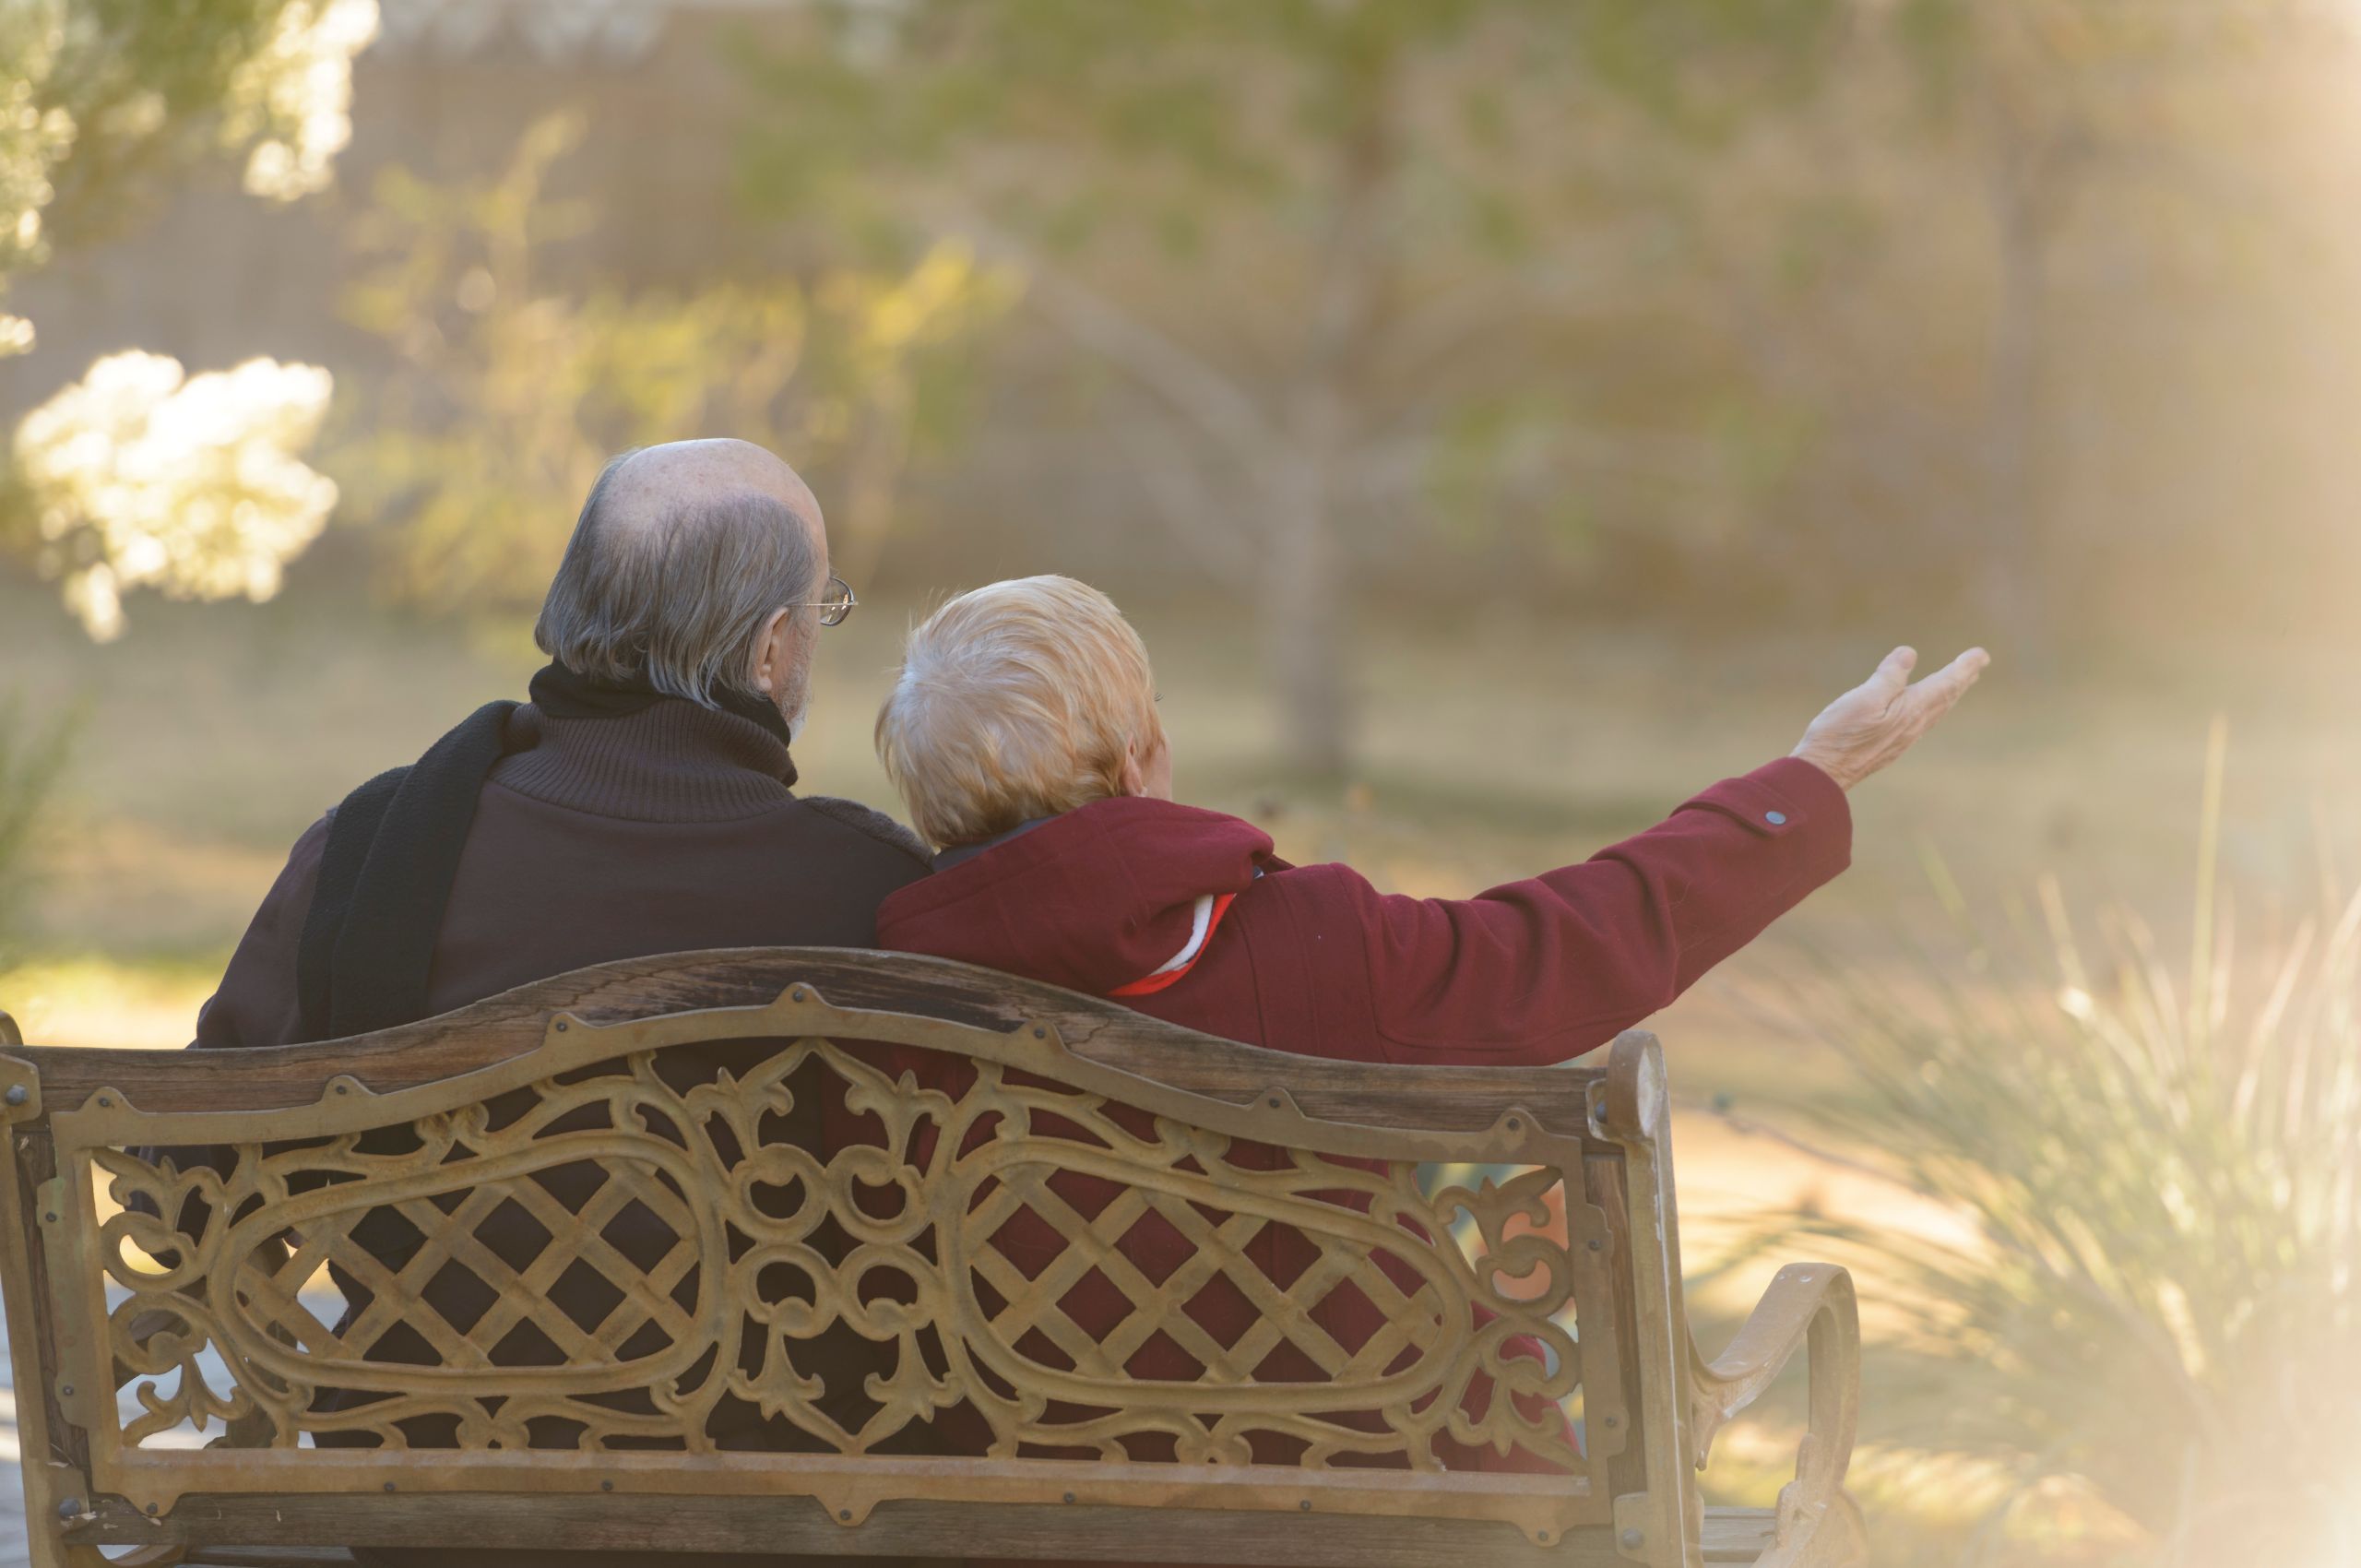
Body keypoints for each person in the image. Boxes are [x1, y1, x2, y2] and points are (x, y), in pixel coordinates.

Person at [869, 575, 1986, 1480]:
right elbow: (1569, 947)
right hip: (1374, 1493)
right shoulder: (1315, 944)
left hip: (1009, 1497)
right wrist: (1806, 779)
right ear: (1134, 766)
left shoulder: (873, 998)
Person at [180, 439, 939, 1568]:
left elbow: (198, 1177)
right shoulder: (872, 891)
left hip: (431, 1495)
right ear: (773, 646)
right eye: (816, 612)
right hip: (780, 1504)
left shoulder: (378, 846)